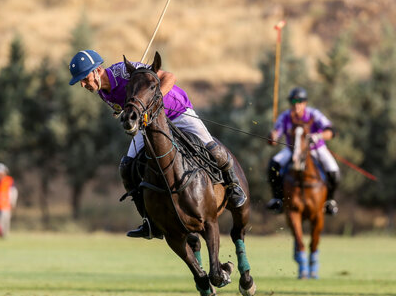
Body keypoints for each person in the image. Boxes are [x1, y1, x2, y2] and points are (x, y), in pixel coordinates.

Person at [68, 49, 247, 239]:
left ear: (97, 70)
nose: (83, 84)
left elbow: (169, 76)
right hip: (151, 124)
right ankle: (148, 221)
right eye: (80, 81)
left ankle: (234, 187)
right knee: (127, 167)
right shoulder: (103, 93)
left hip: (177, 112)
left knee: (213, 148)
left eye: (84, 78)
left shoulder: (125, 71)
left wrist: (155, 99)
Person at [266, 86, 340, 215]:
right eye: (293, 102)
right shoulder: (285, 117)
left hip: (316, 149)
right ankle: (277, 199)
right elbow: (275, 135)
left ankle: (330, 201)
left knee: (334, 170)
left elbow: (331, 131)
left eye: (299, 101)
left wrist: (319, 136)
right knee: (273, 165)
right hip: (292, 149)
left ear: (305, 102)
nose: (296, 105)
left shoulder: (314, 114)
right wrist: (273, 137)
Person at [0, 163, 18, 238]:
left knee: (4, 222)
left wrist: (13, 202)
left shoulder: (9, 181)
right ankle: (1, 234)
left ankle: (3, 235)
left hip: (5, 205)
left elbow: (13, 192)